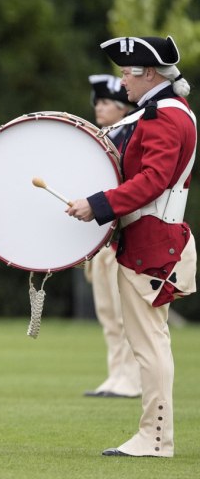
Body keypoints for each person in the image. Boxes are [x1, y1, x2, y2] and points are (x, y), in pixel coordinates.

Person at [66, 35, 196, 458]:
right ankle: (155, 435)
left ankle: (155, 437)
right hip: (151, 239)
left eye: (127, 73)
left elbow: (153, 180)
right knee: (148, 342)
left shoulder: (163, 117)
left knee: (149, 344)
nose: (122, 82)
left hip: (151, 241)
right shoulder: (164, 113)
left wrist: (98, 205)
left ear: (151, 74)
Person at [82, 74, 141, 398]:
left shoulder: (130, 137)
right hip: (102, 234)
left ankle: (132, 378)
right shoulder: (103, 138)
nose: (99, 108)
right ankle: (117, 373)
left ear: (121, 107)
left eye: (105, 103)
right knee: (107, 311)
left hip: (122, 231)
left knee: (124, 312)